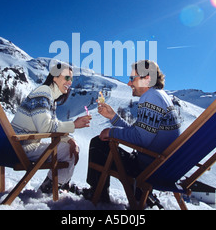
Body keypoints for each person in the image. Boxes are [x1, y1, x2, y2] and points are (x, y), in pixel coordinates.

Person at [85, 60, 182, 205]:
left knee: (98, 144)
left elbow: (140, 139)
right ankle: (138, 193)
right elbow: (138, 132)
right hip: (159, 166)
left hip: (146, 170)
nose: (129, 83)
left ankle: (97, 194)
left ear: (147, 79)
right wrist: (113, 117)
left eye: (132, 78)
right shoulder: (160, 96)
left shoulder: (151, 97)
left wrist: (111, 133)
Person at [11, 61, 91, 193]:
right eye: (67, 77)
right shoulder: (43, 92)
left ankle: (56, 184)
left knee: (69, 147)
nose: (70, 82)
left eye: (71, 79)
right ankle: (52, 188)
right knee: (68, 152)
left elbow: (52, 126)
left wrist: (69, 139)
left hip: (20, 144)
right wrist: (74, 125)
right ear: (54, 77)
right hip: (21, 147)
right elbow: (45, 126)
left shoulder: (49, 97)